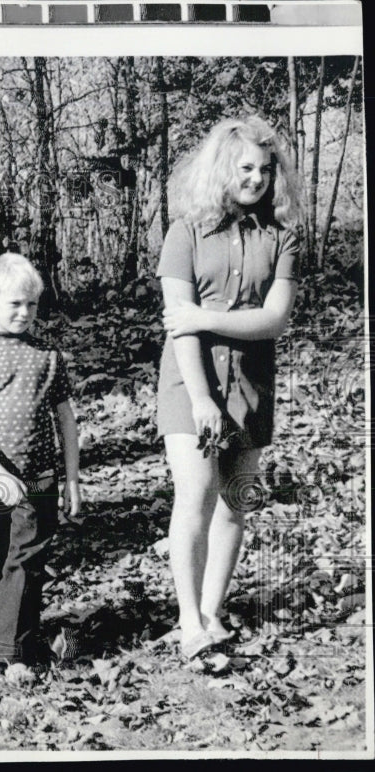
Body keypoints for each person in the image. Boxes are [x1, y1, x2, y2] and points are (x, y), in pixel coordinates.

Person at [156, 117, 301, 660]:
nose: (257, 179)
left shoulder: (283, 234)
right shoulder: (185, 229)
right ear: (222, 168)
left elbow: (274, 321)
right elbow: (179, 326)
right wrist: (199, 400)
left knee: (235, 503)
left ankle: (213, 613)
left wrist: (201, 314)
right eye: (246, 168)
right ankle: (188, 621)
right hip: (189, 382)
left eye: (266, 170)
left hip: (252, 385)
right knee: (194, 496)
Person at [0, 253, 81, 665]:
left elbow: (65, 420)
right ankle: (10, 639)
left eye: (32, 304)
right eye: (14, 303)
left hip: (39, 477)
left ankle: (6, 657)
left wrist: (72, 480)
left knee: (27, 560)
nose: (25, 313)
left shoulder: (48, 357)